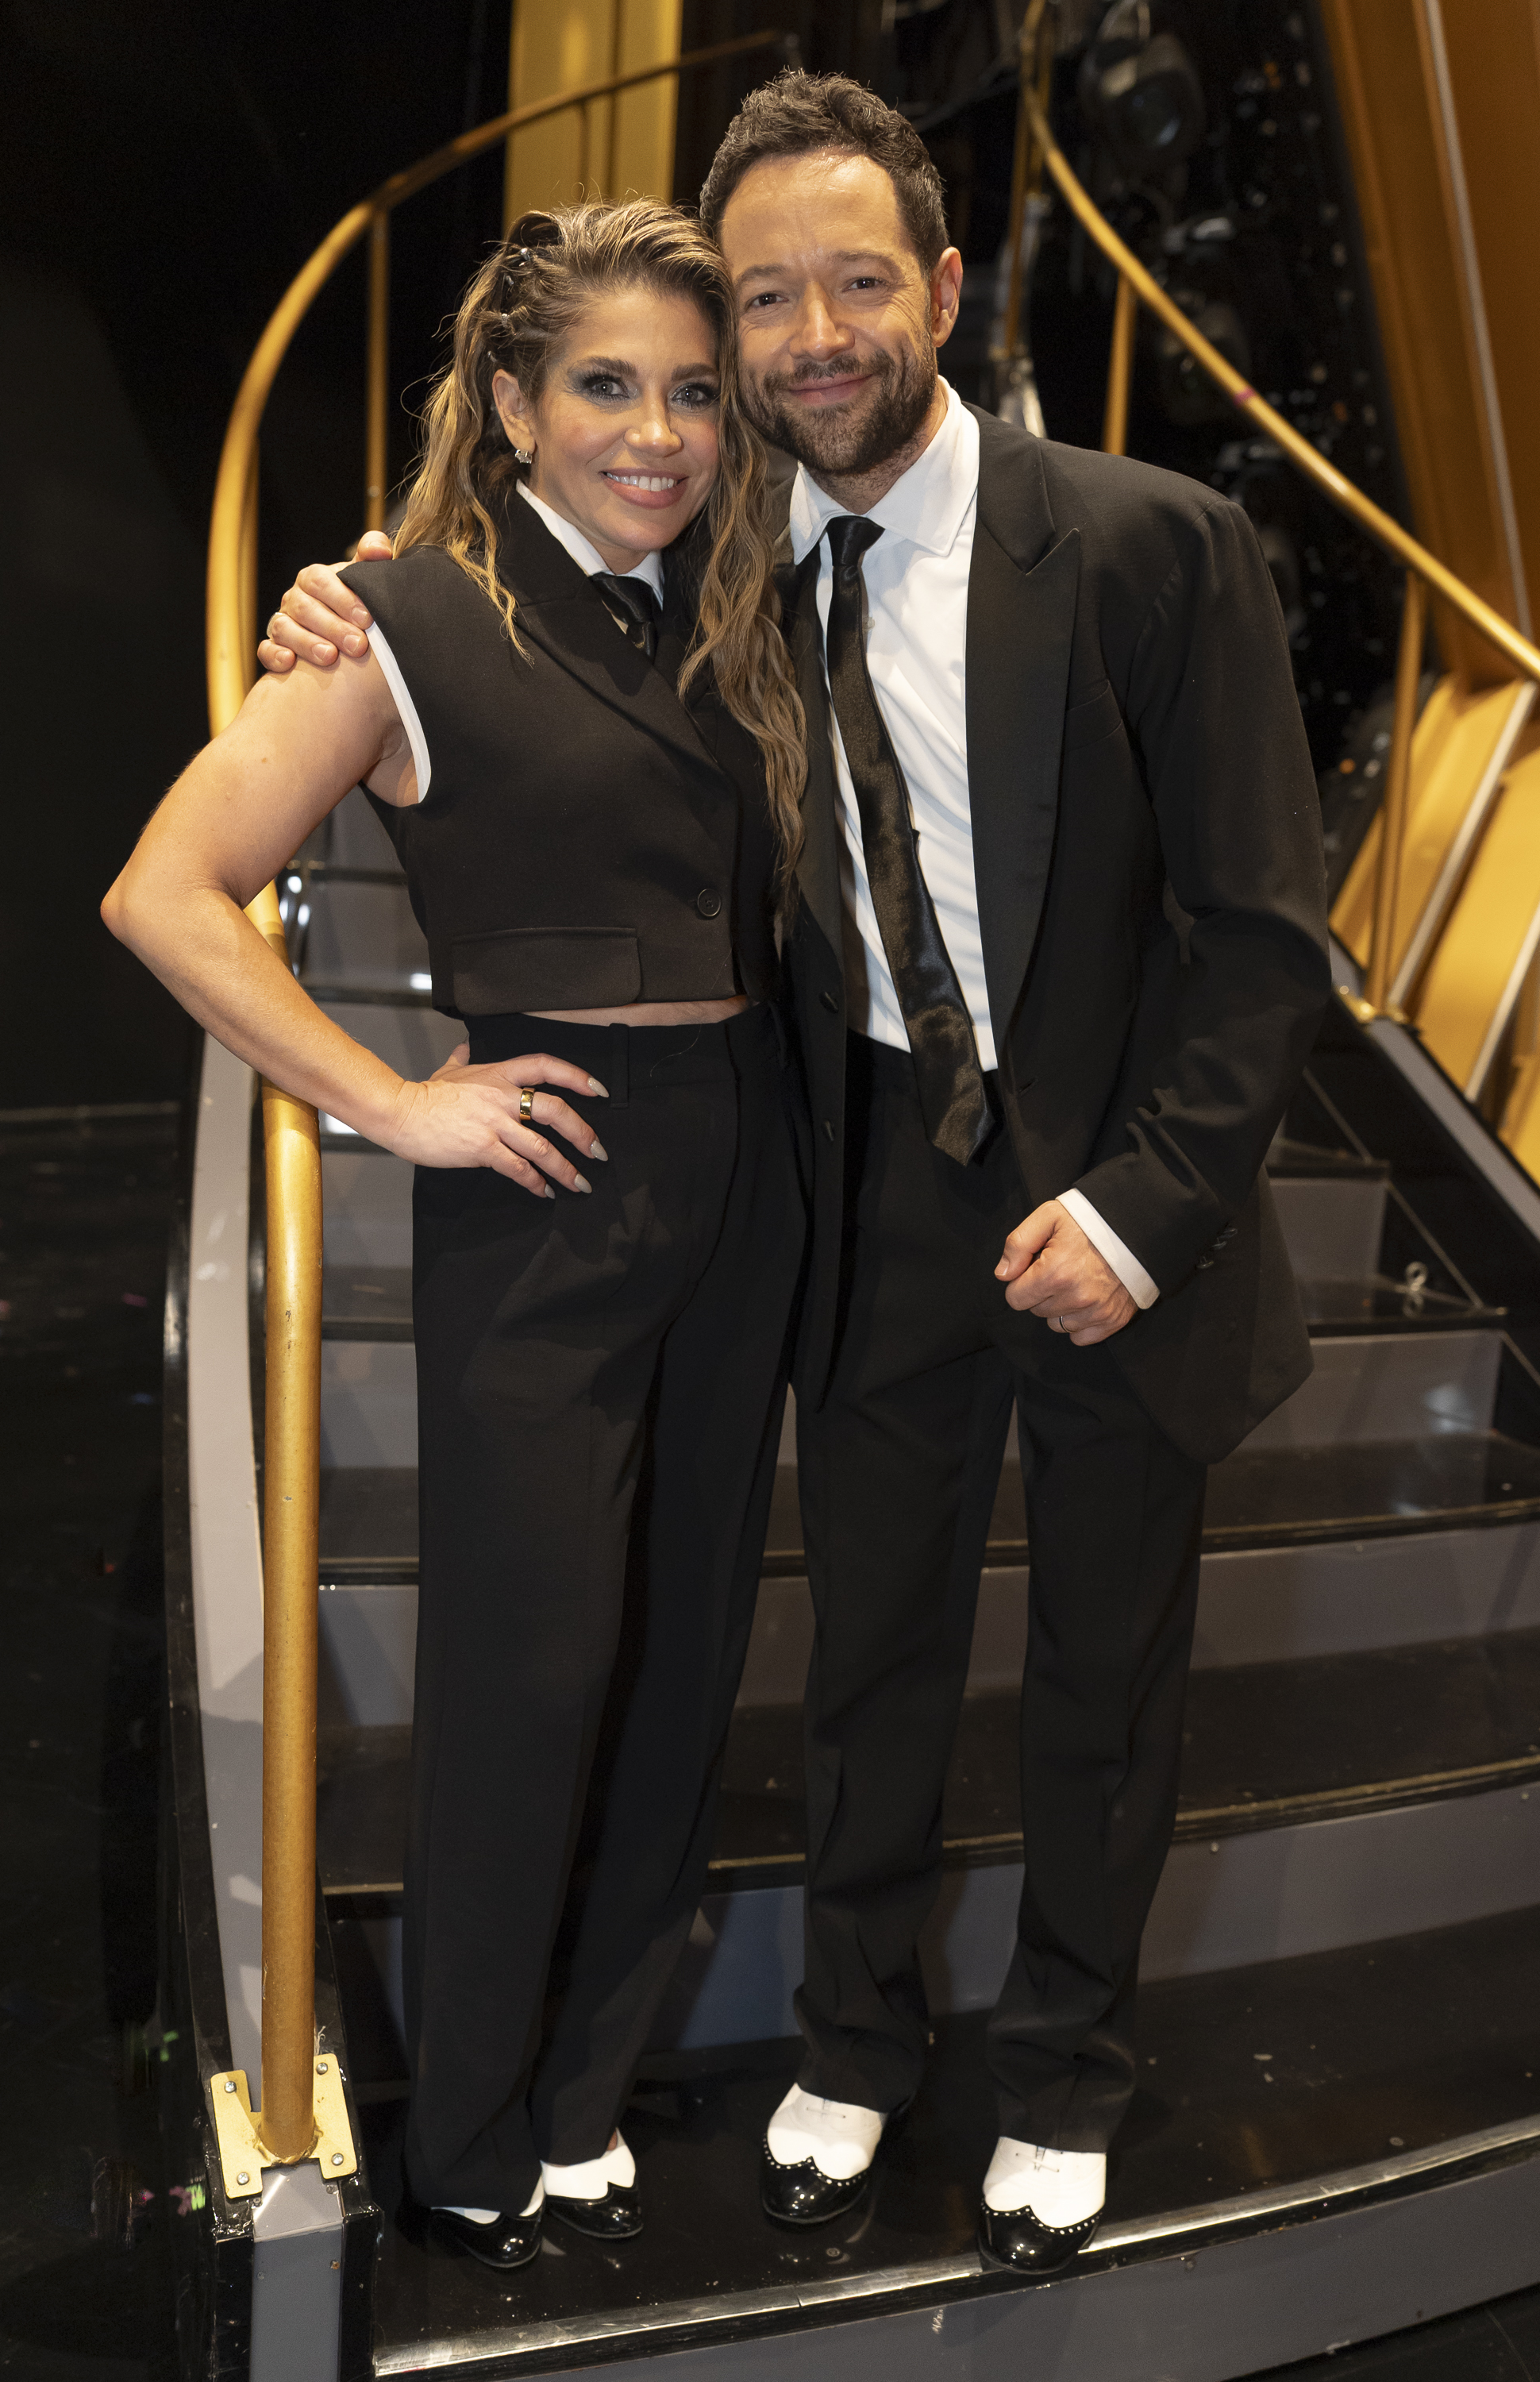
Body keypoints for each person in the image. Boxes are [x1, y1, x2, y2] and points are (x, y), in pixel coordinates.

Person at [264, 73, 1330, 2279]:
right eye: (769, 298)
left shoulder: (1144, 540)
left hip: (1121, 1185)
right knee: (867, 1651)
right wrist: (333, 615)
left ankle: (1066, 2069)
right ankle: (853, 2038)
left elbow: (1259, 935)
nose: (814, 332)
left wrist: (1148, 1200)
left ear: (943, 287)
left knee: (1106, 1666)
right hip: (862, 1183)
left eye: (858, 281)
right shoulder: (732, 561)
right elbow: (535, 673)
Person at [104, 199, 809, 2272]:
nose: (657, 430)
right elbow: (163, 888)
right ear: (509, 403)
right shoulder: (401, 615)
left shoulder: (740, 595)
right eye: (606, 384)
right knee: (531, 1680)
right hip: (554, 1176)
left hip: (749, 1165)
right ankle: (478, 2128)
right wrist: (393, 1095)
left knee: (683, 1670)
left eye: (692, 389)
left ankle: (585, 2084)